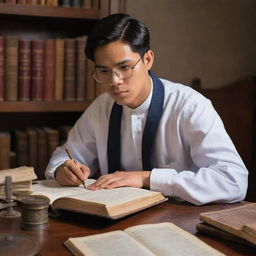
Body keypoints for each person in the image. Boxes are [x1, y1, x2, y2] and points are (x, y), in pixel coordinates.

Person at [45, 13, 248, 205]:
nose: (114, 81)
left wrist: (148, 178)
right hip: (112, 220)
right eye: (104, 71)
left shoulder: (190, 106)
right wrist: (62, 169)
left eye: (124, 68)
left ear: (148, 60)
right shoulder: (101, 107)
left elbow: (234, 181)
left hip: (179, 221)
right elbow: (66, 155)